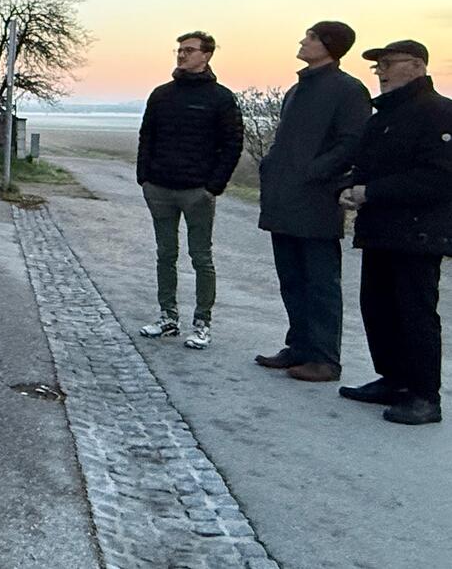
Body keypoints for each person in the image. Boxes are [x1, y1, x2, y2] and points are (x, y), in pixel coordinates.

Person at [338, 40, 452, 426]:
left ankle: (424, 396)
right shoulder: (383, 116)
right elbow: (366, 165)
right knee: (378, 307)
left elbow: (439, 177)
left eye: (388, 64)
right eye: (378, 67)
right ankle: (393, 380)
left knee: (415, 313)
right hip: (381, 229)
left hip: (419, 233)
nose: (381, 72)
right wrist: (351, 188)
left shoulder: (439, 112)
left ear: (417, 66)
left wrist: (371, 192)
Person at [254, 22, 371, 382]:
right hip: (284, 196)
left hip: (317, 198)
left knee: (320, 282)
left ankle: (324, 359)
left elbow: (351, 143)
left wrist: (312, 172)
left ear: (329, 45)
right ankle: (299, 347)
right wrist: (272, 168)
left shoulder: (349, 90)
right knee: (291, 278)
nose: (303, 41)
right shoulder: (296, 89)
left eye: (311, 37)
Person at [135, 31, 244, 349]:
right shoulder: (161, 95)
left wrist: (214, 186)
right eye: (180, 50)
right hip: (160, 188)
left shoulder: (221, 98)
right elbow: (146, 137)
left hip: (197, 191)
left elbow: (232, 144)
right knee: (165, 255)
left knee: (201, 258)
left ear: (206, 55)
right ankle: (168, 317)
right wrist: (144, 178)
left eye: (189, 50)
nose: (182, 55)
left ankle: (202, 323)